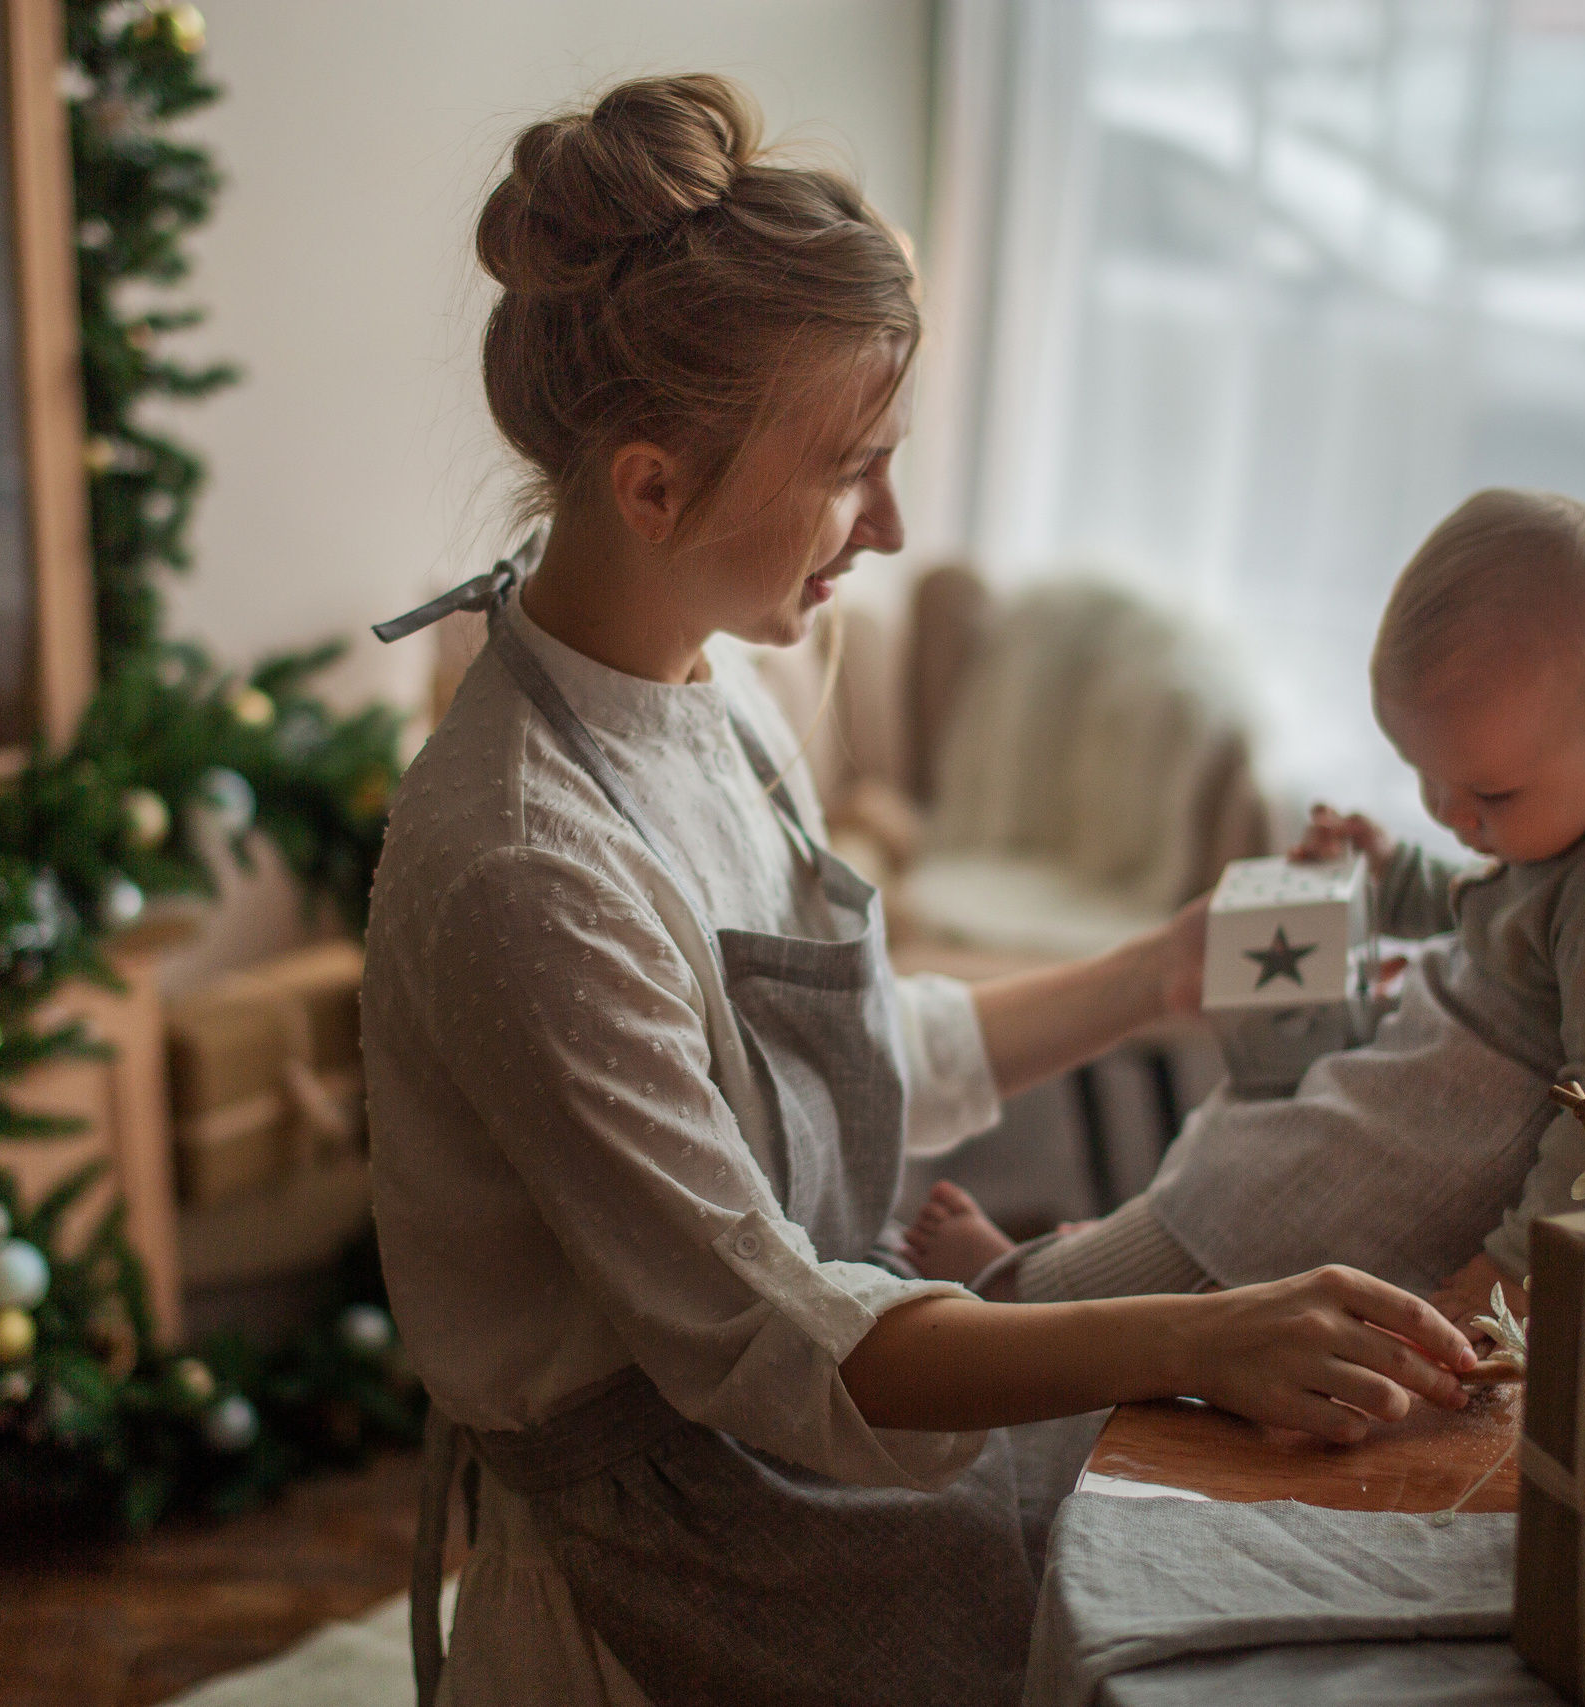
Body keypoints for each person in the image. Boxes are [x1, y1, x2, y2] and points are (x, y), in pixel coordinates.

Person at [361, 73, 1476, 1707]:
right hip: (677, 1538)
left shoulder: (709, 687)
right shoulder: (527, 872)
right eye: (850, 468)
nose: (887, 523)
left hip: (808, 1407)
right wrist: (1200, 1331)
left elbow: (844, 1045)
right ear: (654, 487)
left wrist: (1160, 973)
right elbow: (777, 1338)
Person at [904, 489, 1585, 1333]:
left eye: (1484, 793)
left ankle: (1034, 1296)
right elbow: (1517, 912)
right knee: (1256, 1118)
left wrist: (1510, 1276)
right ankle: (1144, 1262)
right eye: (1424, 777)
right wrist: (1395, 876)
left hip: (1495, 1120)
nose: (1450, 814)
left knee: (1275, 1179)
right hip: (1457, 1040)